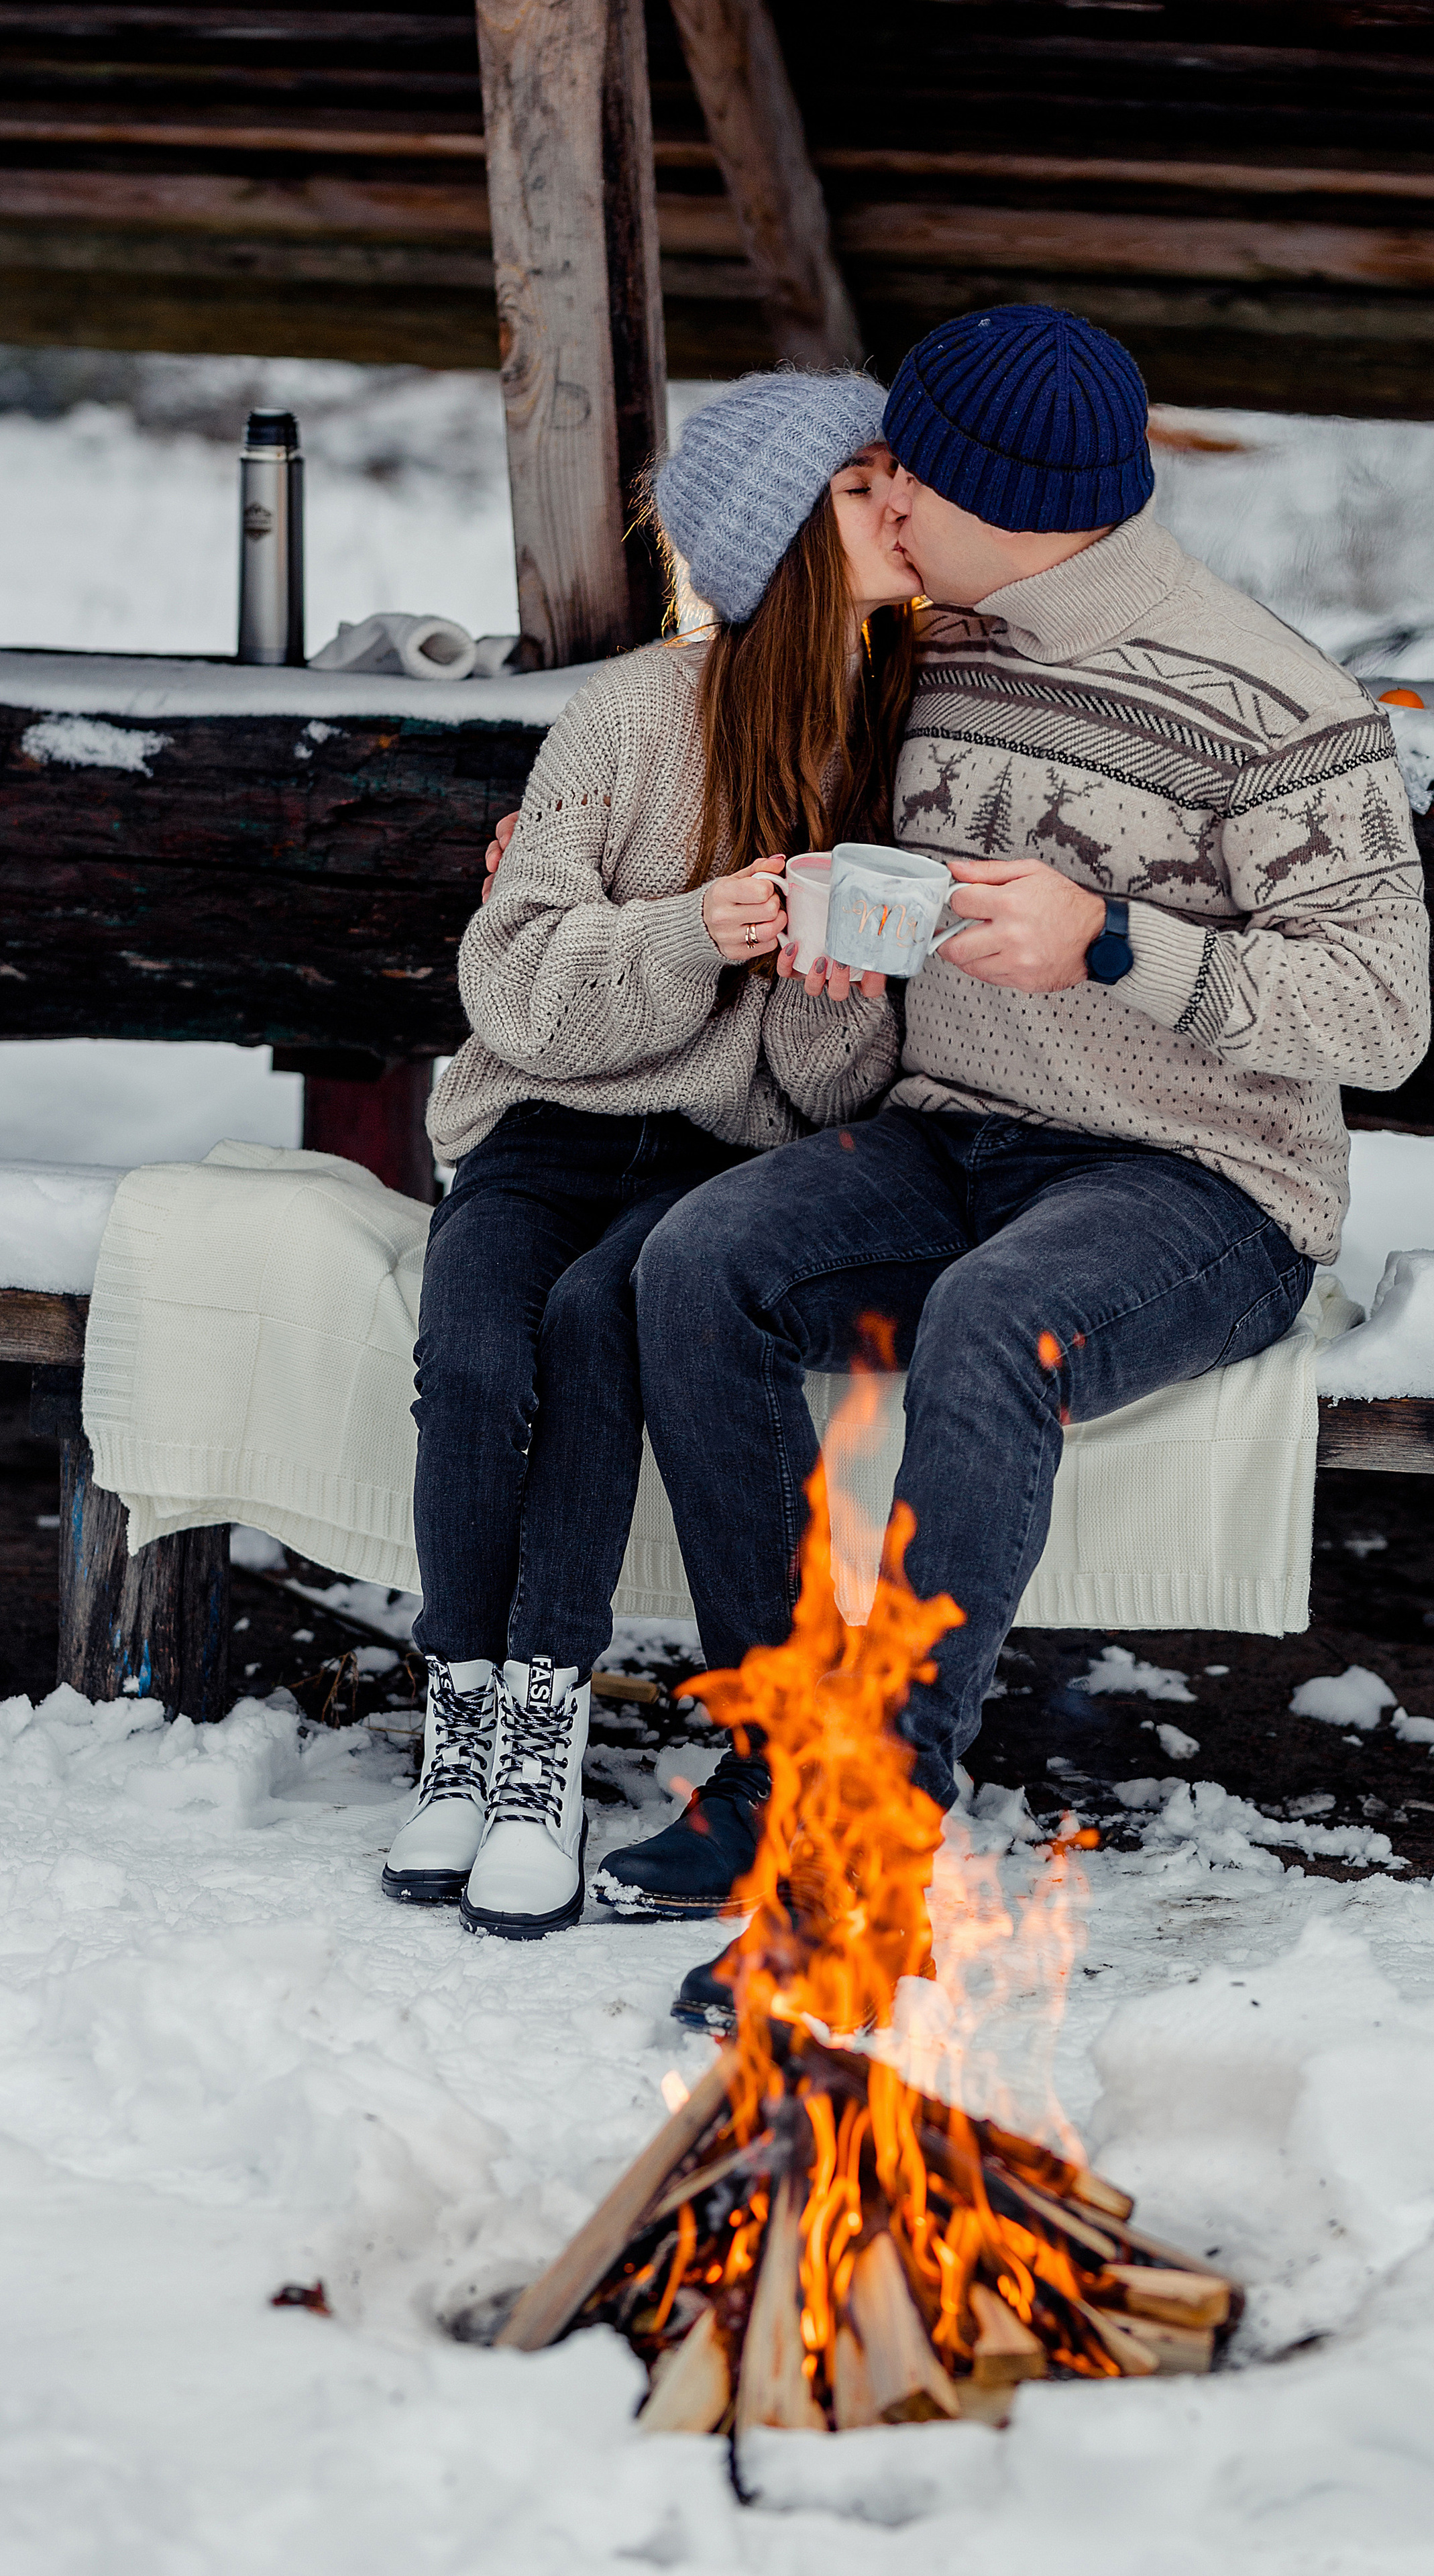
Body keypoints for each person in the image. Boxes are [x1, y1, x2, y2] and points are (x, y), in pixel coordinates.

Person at [594, 306, 1432, 2010]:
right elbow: (731, 728)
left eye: (907, 474)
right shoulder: (934, 643)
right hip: (947, 1136)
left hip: (1196, 1185)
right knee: (697, 1263)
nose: (881, 498)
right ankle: (778, 1760)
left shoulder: (1281, 705)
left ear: (1009, 506)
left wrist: (1113, 941)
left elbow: (1377, 1016)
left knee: (997, 1322)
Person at [383, 369, 919, 1938]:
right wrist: (692, 931)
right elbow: (511, 986)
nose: (896, 509)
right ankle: (464, 1724)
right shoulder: (623, 718)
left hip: (711, 1164)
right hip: (541, 1130)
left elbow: (829, 1090)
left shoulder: (891, 738)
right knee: (472, 1354)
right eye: (858, 488)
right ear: (777, 536)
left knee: (593, 1321)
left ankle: (541, 1742)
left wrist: (827, 991)